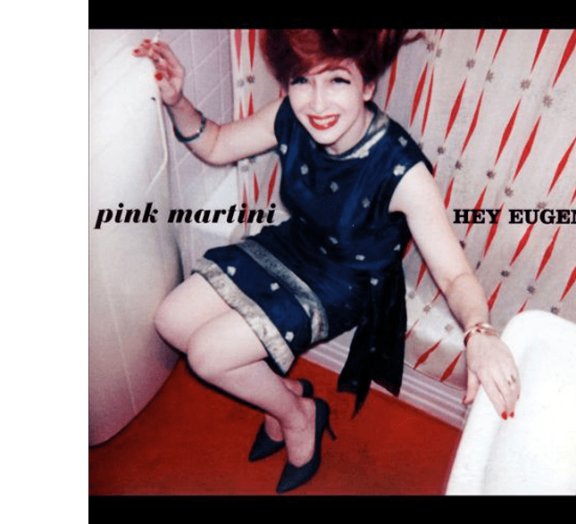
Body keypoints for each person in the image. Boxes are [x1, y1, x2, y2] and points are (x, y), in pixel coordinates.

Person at [134, 29, 520, 493]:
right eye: (302, 80)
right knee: (172, 320)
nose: (316, 103)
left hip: (345, 281)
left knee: (208, 356)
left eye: (337, 80)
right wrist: (176, 100)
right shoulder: (289, 116)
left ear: (367, 86)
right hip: (295, 245)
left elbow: (454, 274)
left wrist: (480, 331)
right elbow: (216, 144)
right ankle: (289, 396)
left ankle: (298, 415)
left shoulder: (401, 169)